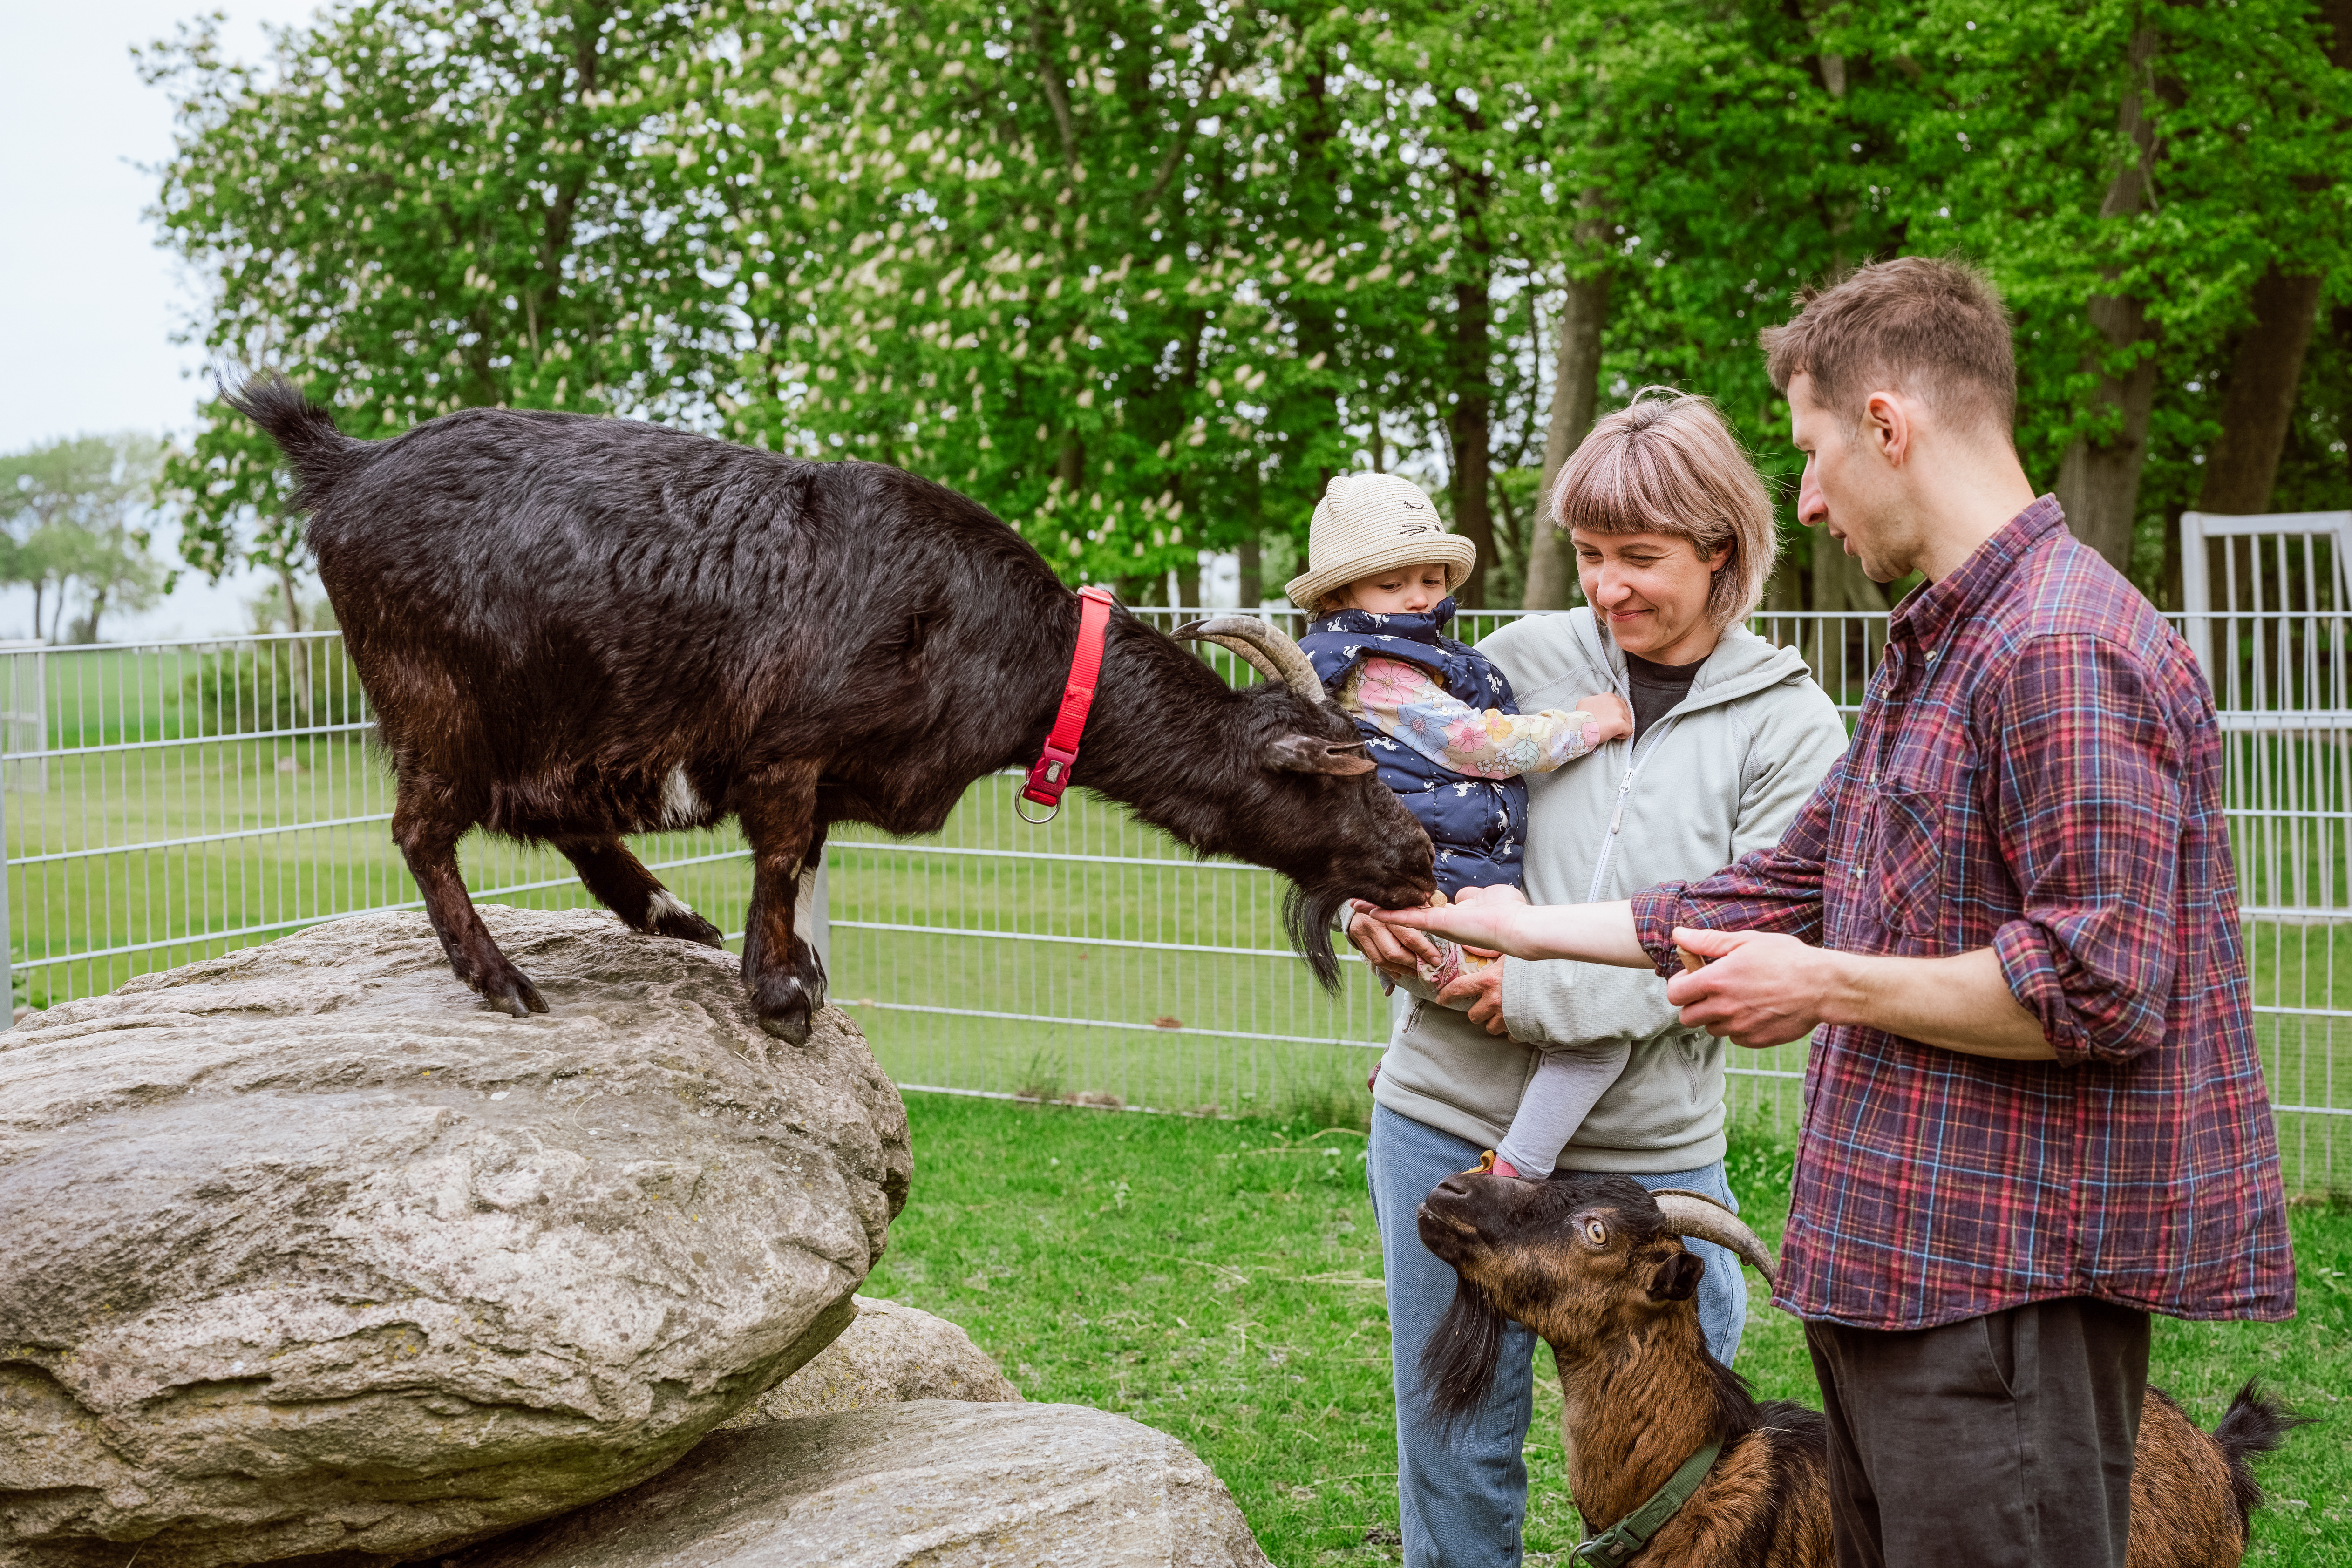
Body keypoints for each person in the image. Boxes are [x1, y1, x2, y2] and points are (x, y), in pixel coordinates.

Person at [1366, 259, 2297, 1568]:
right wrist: (1516, 926)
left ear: (1885, 426)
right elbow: (1778, 884)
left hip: (1999, 1281)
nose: (1802, 498)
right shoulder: (1946, 645)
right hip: (1897, 1280)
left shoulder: (2058, 648)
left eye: (1809, 453)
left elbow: (2098, 984)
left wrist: (1822, 984)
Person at [1342, 394, 1849, 1568]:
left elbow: (1739, 939)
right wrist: (1359, 907)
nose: (1606, 586)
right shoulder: (1514, 665)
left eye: (1639, 557)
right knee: (1453, 1437)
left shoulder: (1788, 726)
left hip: (1649, 1158)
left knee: (1681, 1472)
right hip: (1448, 1116)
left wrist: (1531, 995)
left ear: (1719, 550)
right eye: (1586, 554)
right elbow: (1379, 803)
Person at [1289, 471, 1632, 1181]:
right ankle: (1516, 1171)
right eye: (1393, 585)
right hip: (1430, 888)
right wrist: (1587, 724)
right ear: (1337, 599)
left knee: (1513, 958)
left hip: (1445, 879)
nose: (1420, 597)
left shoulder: (1408, 658)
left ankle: (1402, 1071)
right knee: (1594, 1042)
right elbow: (1477, 745)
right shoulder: (1375, 673)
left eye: (1430, 578)